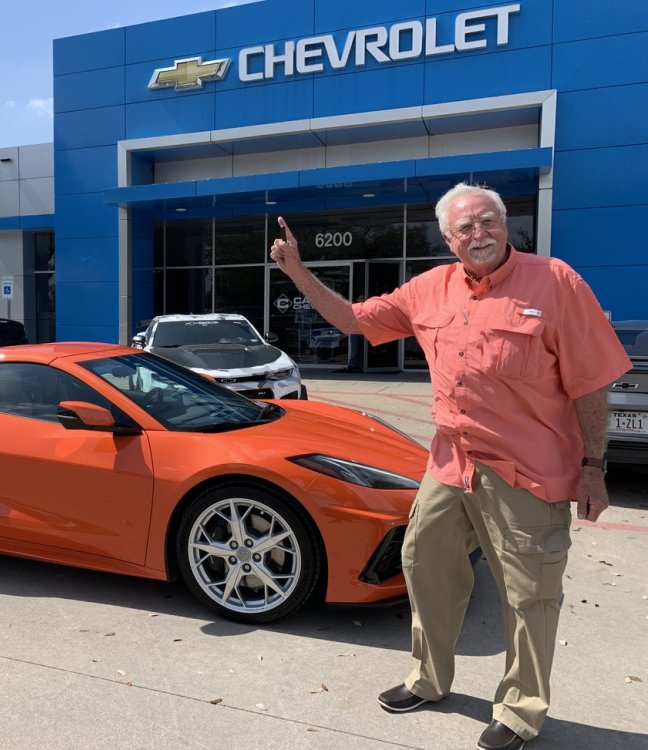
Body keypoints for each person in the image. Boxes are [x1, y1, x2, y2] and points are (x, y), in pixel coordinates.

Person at [270, 183, 631, 750]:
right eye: (465, 228)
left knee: (528, 593)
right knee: (423, 564)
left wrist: (593, 466)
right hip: (451, 464)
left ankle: (520, 709)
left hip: (526, 472)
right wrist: (297, 271)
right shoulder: (429, 288)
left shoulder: (556, 283)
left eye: (487, 221)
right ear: (447, 238)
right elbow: (353, 320)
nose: (479, 234)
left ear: (504, 225)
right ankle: (429, 678)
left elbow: (591, 384)